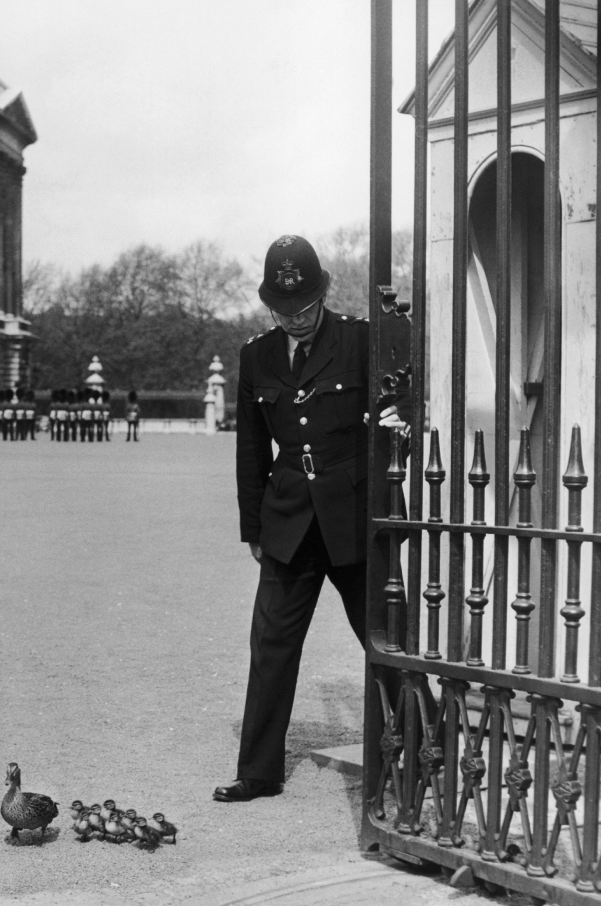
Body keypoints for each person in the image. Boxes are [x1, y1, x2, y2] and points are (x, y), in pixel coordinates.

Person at [213, 234, 410, 803]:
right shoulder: (257, 356)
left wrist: (402, 425)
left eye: (302, 310)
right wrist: (253, 529)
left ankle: (420, 748)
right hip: (288, 518)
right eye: (282, 311)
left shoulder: (360, 340)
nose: (294, 321)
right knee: (270, 644)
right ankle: (258, 772)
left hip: (352, 517)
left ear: (321, 295)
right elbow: (250, 450)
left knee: (383, 639)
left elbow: (406, 399)